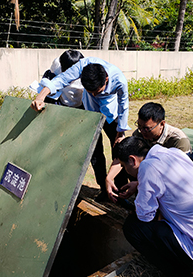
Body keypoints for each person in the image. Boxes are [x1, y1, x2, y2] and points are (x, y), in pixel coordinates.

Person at [114, 136, 193, 277]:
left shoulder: (147, 167)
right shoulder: (173, 153)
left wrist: (140, 192)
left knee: (133, 228)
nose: (126, 171)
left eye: (125, 167)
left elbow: (145, 215)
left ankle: (178, 273)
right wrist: (140, 185)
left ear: (132, 159)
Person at [30, 57, 131, 201]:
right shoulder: (84, 65)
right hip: (91, 112)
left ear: (106, 80)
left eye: (97, 91)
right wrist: (41, 97)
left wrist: (120, 132)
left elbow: (123, 105)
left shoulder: (119, 80)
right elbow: (61, 79)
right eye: (91, 91)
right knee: (95, 152)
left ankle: (121, 192)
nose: (95, 94)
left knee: (118, 150)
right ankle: (103, 188)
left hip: (111, 114)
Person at [106, 102, 193, 203]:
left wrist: (140, 184)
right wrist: (109, 178)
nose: (142, 131)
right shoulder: (139, 134)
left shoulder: (178, 140)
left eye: (147, 128)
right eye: (139, 126)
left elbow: (178, 175)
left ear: (162, 124)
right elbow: (124, 157)